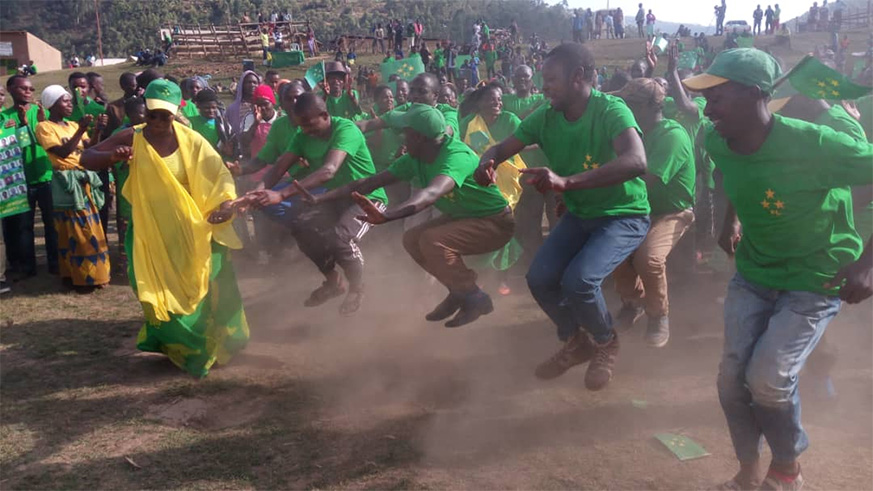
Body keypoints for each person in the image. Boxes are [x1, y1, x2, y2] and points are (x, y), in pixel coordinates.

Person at [682, 48, 873, 491]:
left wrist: (867, 263)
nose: (708, 110)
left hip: (814, 279)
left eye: (717, 97)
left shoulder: (816, 144)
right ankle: (749, 468)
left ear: (755, 94)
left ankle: (787, 468)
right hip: (755, 273)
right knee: (731, 381)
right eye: (705, 99)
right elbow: (737, 173)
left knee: (767, 380)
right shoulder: (717, 139)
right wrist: (730, 221)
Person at [475, 42, 650, 390]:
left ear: (577, 77)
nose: (544, 87)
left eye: (551, 79)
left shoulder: (610, 109)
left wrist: (567, 183)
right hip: (580, 213)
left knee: (579, 281)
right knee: (539, 278)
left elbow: (636, 161)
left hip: (622, 214)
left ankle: (605, 341)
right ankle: (576, 340)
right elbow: (501, 148)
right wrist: (487, 162)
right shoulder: (546, 116)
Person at [80, 79, 248, 377]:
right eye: (152, 114)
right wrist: (112, 156)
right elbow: (86, 157)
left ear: (175, 113)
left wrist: (225, 205)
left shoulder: (191, 140)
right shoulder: (133, 136)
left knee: (207, 287)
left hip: (192, 230)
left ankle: (213, 346)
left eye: (165, 116)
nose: (158, 122)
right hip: (152, 231)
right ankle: (181, 347)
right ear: (145, 111)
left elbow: (219, 175)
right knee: (157, 291)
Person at [301, 103, 513, 326]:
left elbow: (431, 193)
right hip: (463, 217)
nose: (402, 137)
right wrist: (320, 198)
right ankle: (458, 291)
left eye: (406, 133)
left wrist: (387, 216)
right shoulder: (417, 157)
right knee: (412, 239)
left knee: (432, 240)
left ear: (418, 137)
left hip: (494, 222)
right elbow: (370, 182)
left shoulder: (455, 156)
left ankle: (474, 297)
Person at [246, 93, 387, 315]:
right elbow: (279, 167)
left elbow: (328, 171)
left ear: (325, 115)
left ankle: (357, 288)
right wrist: (257, 192)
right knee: (301, 227)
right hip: (335, 197)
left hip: (368, 198)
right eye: (301, 126)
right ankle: (333, 281)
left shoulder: (345, 129)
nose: (305, 130)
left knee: (340, 238)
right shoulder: (302, 134)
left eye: (310, 125)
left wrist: (281, 195)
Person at [610, 78, 695, 347]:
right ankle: (633, 303)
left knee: (649, 259)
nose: (625, 108)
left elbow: (645, 181)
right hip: (637, 209)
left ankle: (658, 315)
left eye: (631, 104)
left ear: (649, 106)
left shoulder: (672, 136)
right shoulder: (633, 132)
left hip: (671, 212)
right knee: (612, 249)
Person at [35, 85, 110, 290]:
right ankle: (80, 277)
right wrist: (81, 130)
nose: (70, 104)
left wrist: (97, 130)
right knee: (74, 229)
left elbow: (90, 148)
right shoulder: (45, 127)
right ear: (52, 104)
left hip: (83, 180)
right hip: (66, 181)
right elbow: (62, 152)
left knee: (90, 227)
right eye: (65, 101)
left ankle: (94, 275)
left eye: (70, 100)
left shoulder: (72, 125)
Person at [1, 75, 58, 279]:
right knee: (23, 227)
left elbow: (48, 141)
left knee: (52, 223)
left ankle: (55, 263)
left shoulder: (42, 112)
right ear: (10, 89)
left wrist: (41, 123)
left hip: (46, 175)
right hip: (19, 180)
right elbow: (20, 145)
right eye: (23, 88)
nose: (28, 92)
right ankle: (27, 267)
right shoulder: (4, 117)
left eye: (31, 89)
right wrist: (18, 126)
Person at [103, 72, 138, 139]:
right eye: (133, 86)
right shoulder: (113, 108)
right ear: (123, 87)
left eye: (137, 85)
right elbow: (107, 132)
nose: (136, 88)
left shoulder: (142, 104)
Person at [226, 70, 261, 137]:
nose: (252, 85)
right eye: (248, 82)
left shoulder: (263, 105)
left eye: (255, 82)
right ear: (242, 85)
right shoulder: (233, 108)